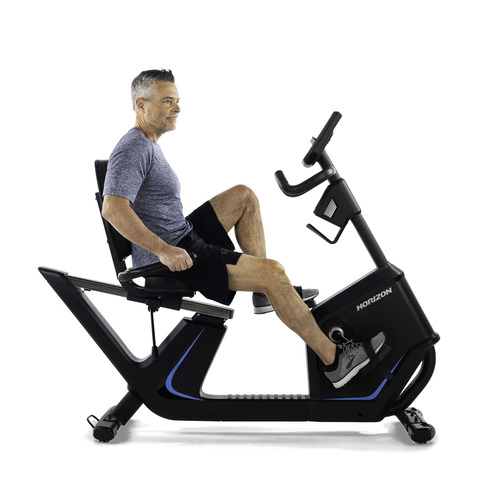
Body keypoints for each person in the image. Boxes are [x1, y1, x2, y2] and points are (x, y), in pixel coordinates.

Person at [102, 69, 386, 388]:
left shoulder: (148, 143)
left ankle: (264, 295)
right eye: (167, 101)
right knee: (274, 273)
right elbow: (113, 208)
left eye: (177, 100)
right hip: (173, 255)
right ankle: (335, 361)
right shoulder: (133, 148)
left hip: (181, 233)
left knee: (244, 196)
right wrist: (164, 251)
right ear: (141, 105)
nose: (177, 108)